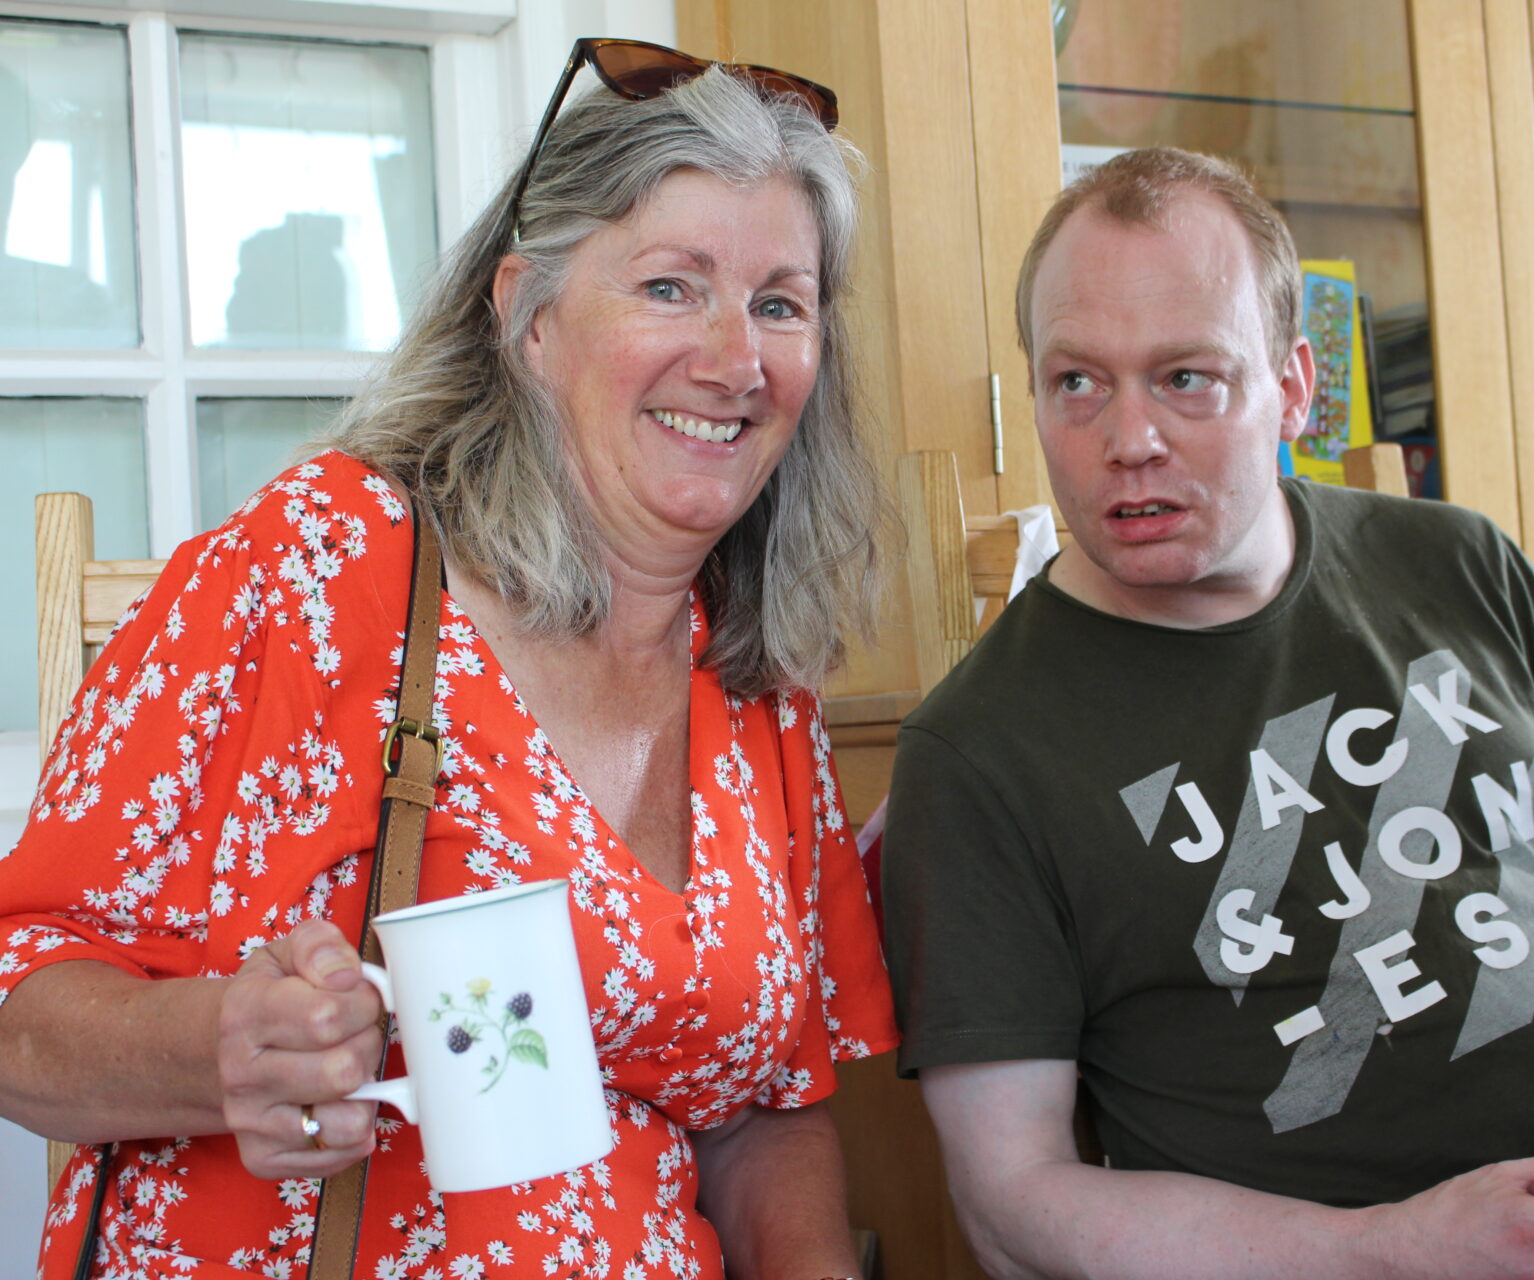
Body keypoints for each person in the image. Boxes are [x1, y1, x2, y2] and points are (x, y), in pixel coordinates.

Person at [881, 147, 1534, 1280]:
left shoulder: (1462, 562)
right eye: (1077, 382)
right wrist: (1395, 1248)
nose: (1129, 441)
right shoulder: (976, 753)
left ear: (1295, 388)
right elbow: (1012, 1205)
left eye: (1187, 377)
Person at [0, 45, 895, 1280]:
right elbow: (20, 1002)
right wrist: (217, 1045)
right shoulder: (322, 566)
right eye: (671, 286)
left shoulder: (754, 680)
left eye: (780, 304)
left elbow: (762, 1110)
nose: (737, 359)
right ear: (529, 317)